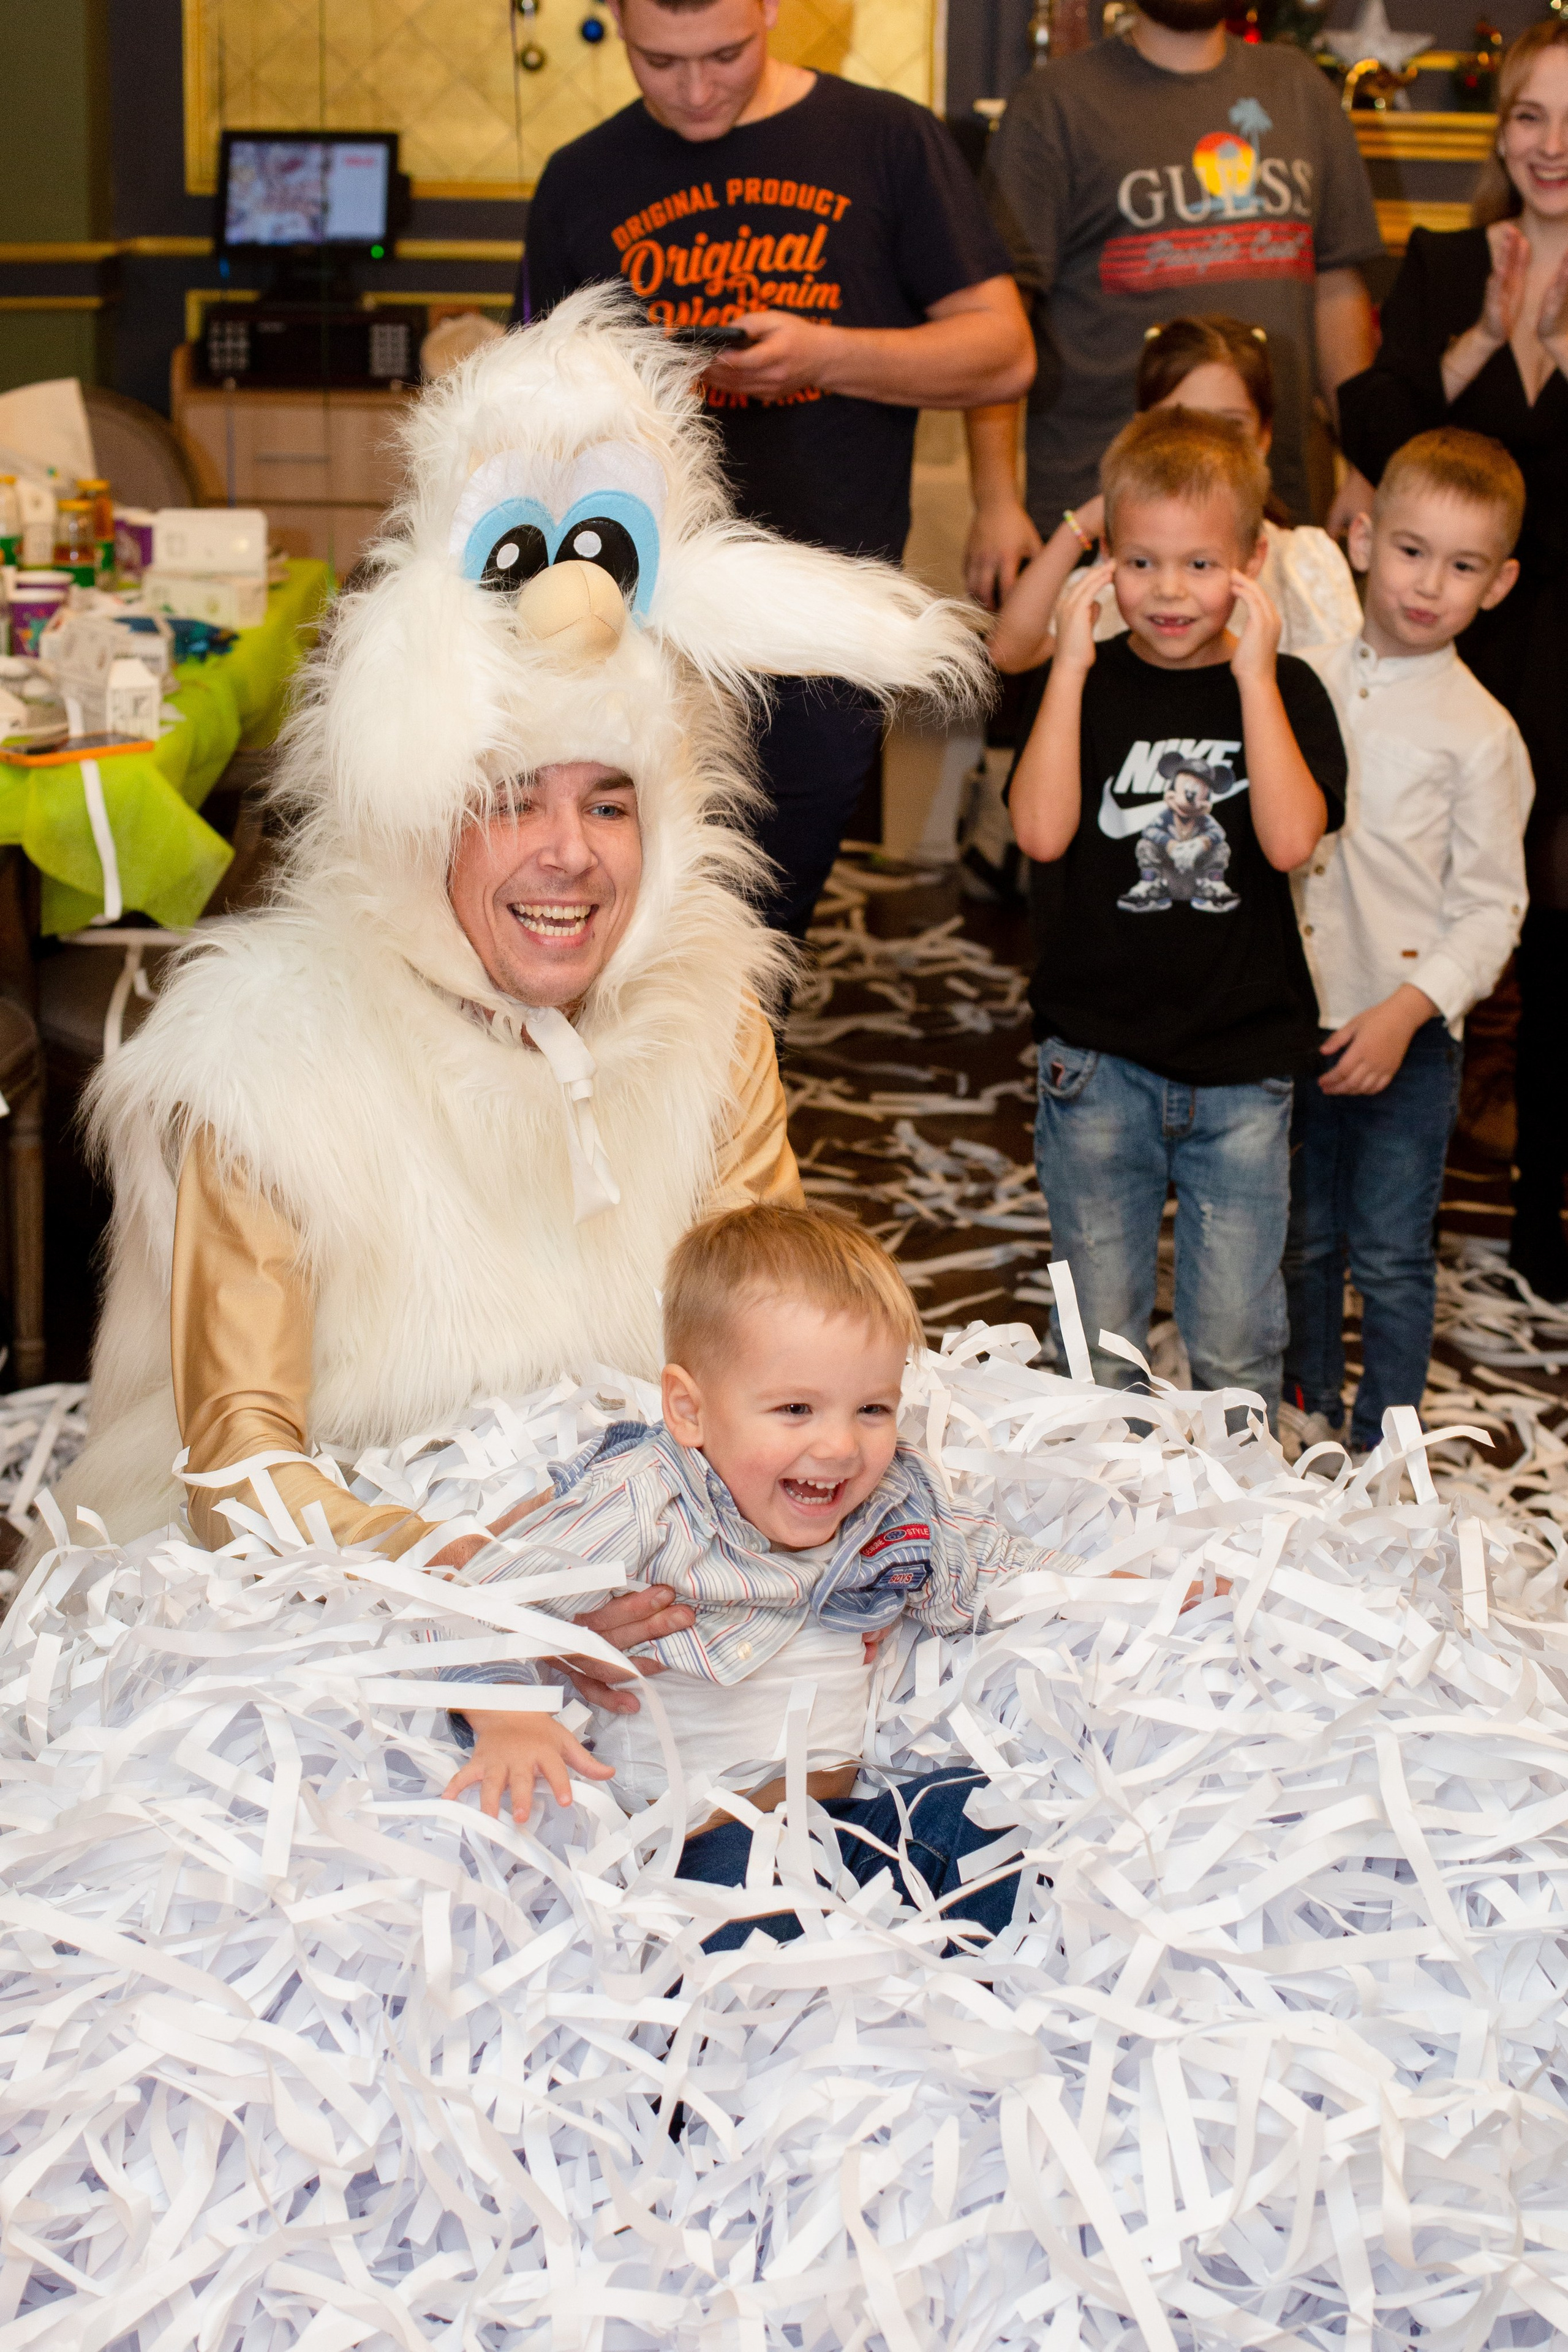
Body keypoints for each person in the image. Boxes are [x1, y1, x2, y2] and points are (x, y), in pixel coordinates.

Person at [55, 294, 987, 1607]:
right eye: (508, 801)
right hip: (312, 1610)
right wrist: (489, 1589)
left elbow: (770, 1327)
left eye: (608, 802)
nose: (569, 855)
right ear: (417, 820)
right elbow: (238, 1473)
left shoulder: (703, 1019)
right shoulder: (258, 1068)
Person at [513, 0, 1034, 938]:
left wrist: (825, 356)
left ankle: (740, 1081)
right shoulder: (580, 178)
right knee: (626, 920)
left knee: (760, 923)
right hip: (631, 620)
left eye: (725, 54)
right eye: (659, 62)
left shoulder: (886, 141)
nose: (697, 89)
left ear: (771, 9)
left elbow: (1003, 353)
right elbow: (529, 406)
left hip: (819, 615)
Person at [441, 1204, 1066, 1950]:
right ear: (689, 1409)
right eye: (796, 1408)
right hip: (701, 1849)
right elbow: (480, 1595)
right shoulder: (645, 1499)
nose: (839, 1445)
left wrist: (1122, 1587)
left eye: (872, 1408)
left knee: (989, 1819)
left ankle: (936, 1996)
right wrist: (508, 1716)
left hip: (847, 1830)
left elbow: (988, 1563)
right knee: (751, 1925)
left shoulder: (890, 1502)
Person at [1008, 407, 1344, 1415]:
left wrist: (1252, 678)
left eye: (1201, 565)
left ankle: (1237, 1540)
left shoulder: (1286, 689)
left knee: (1238, 1341)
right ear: (1105, 563)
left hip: (1244, 1071)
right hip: (1096, 1062)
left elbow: (1290, 843)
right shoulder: (1085, 685)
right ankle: (1102, 1540)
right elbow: (1040, 832)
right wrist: (1067, 666)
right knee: (1096, 1349)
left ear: (1250, 562)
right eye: (1142, 563)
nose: (1168, 592)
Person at [1336, 20, 1568, 1303]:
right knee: (1424, 886)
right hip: (1437, 648)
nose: (1550, 149)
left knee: (1552, 916)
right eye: (1529, 118)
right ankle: (1389, 1182)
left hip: (1553, 637)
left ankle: (1543, 1199)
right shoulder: (1441, 261)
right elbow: (1370, 425)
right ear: (1499, 132)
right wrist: (1485, 344)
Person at [1283, 431, 1532, 1463]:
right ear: (1361, 538)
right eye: (1412, 550)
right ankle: (1304, 1405)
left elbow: (1490, 908)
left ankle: (1389, 1435)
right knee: (1301, 1237)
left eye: (1463, 565)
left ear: (1500, 583)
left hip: (1406, 1037)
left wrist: (1407, 1010)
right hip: (1290, 1017)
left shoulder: (1481, 732)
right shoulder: (1298, 680)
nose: (1430, 584)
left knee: (1387, 1252)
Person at [965, 0, 1382, 614]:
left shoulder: (1299, 88)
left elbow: (1338, 291)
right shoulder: (1053, 103)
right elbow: (1001, 325)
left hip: (1273, 505)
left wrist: (1365, 462)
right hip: (1106, 521)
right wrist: (995, 501)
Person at [988, 314, 1362, 674]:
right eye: (1176, 422)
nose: (1201, 447)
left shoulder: (1303, 559)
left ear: (1264, 436)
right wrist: (1083, 523)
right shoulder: (1127, 568)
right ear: (1140, 430)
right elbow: (1009, 652)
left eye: (1228, 426)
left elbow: (1343, 684)